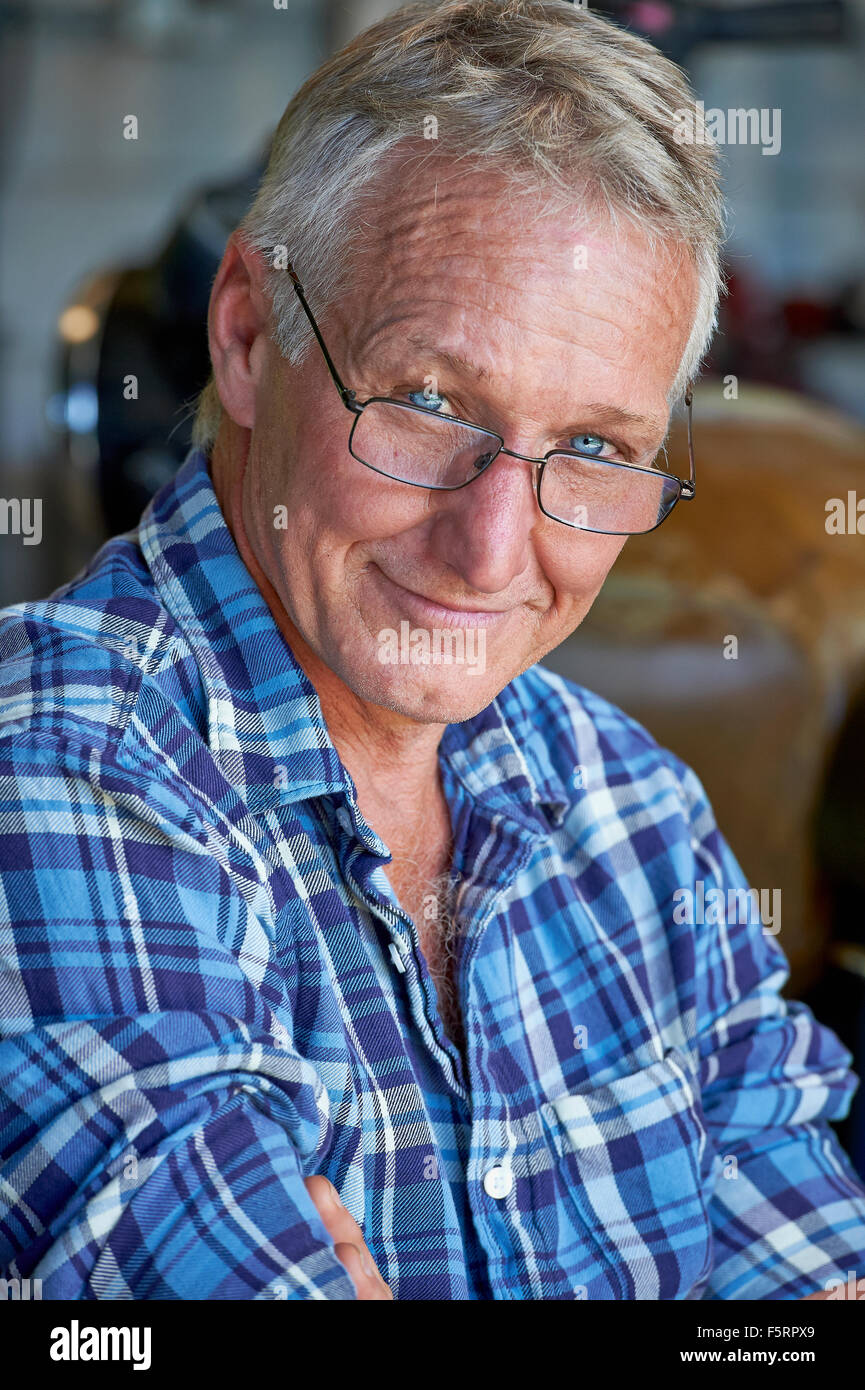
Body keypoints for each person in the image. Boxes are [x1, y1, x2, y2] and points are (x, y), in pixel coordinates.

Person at [1, 0, 863, 1301]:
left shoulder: (634, 811)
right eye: (426, 404)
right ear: (245, 332)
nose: (492, 548)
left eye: (597, 449)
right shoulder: (48, 764)